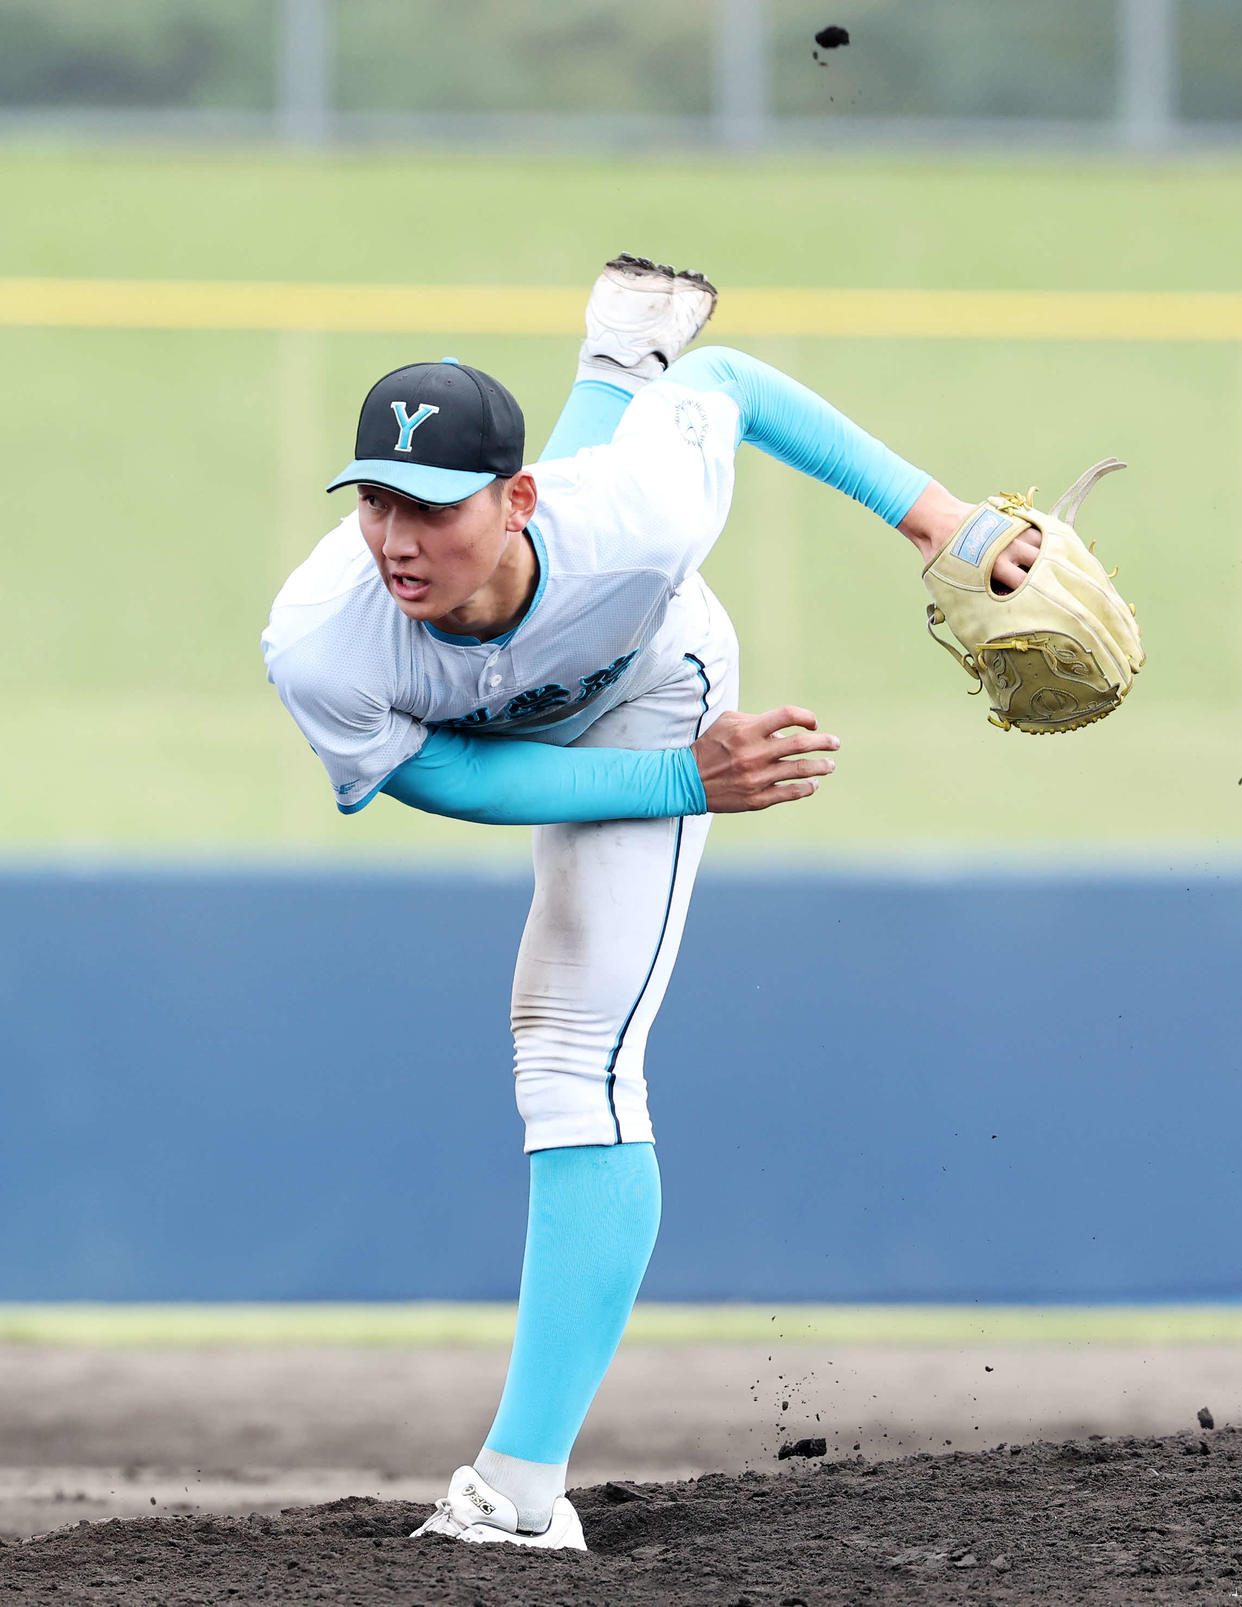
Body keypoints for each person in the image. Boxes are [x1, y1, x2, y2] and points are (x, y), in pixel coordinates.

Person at [260, 254, 1042, 1552]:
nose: (399, 537)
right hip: (633, 747)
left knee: (575, 1060)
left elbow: (731, 385)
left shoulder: (641, 518)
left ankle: (517, 1494)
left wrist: (946, 524)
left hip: (654, 682)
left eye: (434, 505)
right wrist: (675, 787)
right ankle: (618, 362)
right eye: (377, 501)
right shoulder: (323, 637)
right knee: (551, 1022)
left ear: (509, 497)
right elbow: (438, 772)